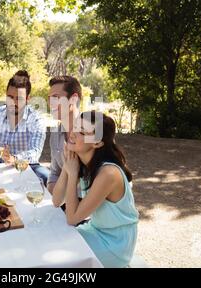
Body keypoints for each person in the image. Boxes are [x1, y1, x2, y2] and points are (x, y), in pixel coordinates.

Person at [52, 111, 139, 268]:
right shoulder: (83, 160)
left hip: (115, 243)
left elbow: (72, 218)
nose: (73, 134)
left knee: (58, 256)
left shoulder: (109, 173)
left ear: (97, 143)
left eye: (82, 132)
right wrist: (67, 167)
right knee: (50, 237)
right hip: (96, 230)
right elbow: (57, 200)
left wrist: (72, 174)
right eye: (75, 127)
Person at [0, 70, 49, 183]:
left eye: (19, 98)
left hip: (26, 166)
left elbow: (35, 151)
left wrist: (15, 159)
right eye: (10, 97)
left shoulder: (36, 119)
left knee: (47, 176)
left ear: (27, 99)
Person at [47, 76, 82, 194]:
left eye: (56, 97)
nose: (51, 103)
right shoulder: (55, 134)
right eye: (49, 98)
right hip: (63, 201)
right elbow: (54, 173)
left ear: (73, 99)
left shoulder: (93, 132)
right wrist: (56, 196)